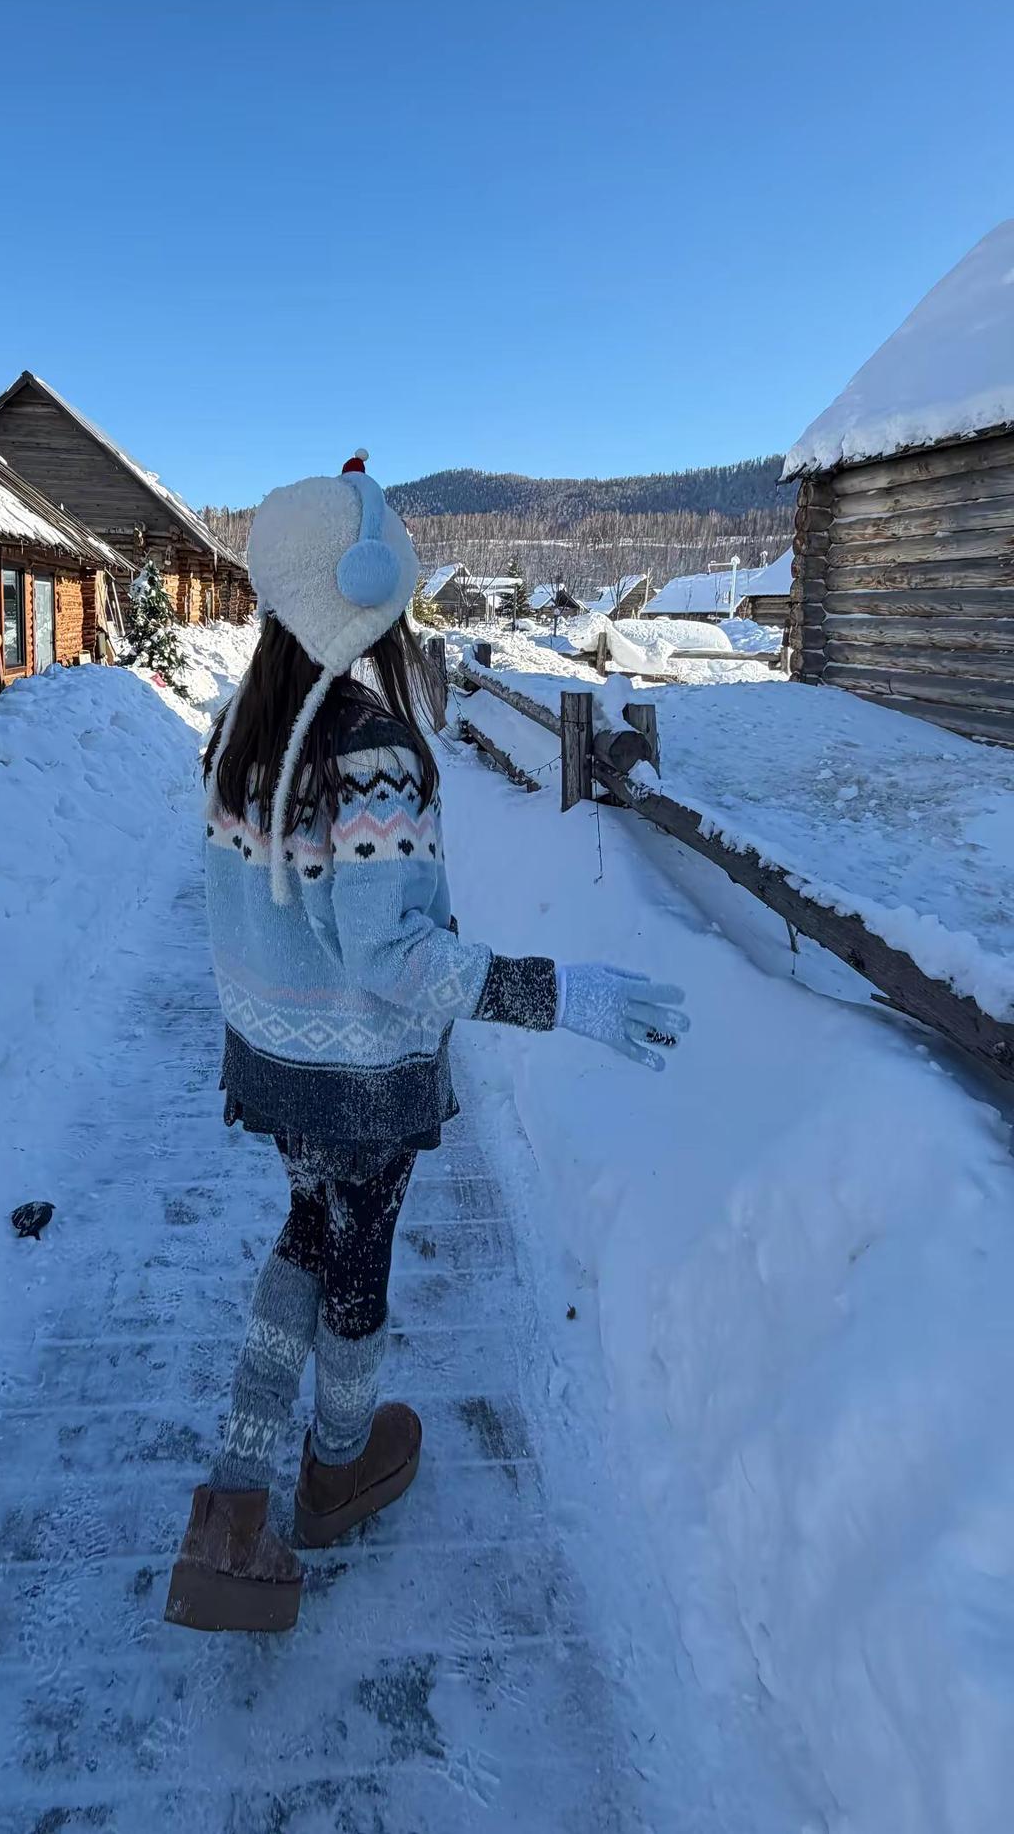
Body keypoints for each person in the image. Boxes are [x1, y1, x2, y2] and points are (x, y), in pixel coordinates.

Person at [165, 454, 687, 1634]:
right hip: (359, 1074)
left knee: (305, 1232)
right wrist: (557, 992)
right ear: (361, 599)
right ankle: (335, 1464)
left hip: (276, 1065)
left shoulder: (241, 731)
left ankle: (233, 1497)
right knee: (356, 1265)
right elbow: (393, 959)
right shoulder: (372, 751)